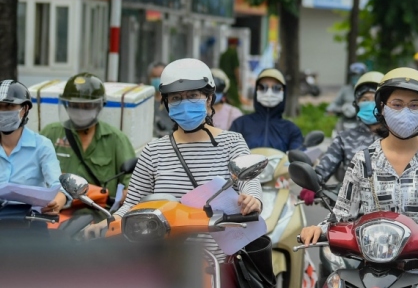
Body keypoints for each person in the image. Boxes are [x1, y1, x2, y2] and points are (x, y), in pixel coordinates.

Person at [83, 58, 262, 254]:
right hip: (162, 260)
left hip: (219, 262)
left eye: (193, 95)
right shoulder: (153, 151)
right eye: (176, 98)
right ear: (167, 103)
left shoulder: (232, 142)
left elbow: (249, 183)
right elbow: (132, 204)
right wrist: (108, 223)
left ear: (209, 98)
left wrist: (253, 199)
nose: (184, 103)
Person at [299, 68, 418, 257]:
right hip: (372, 270)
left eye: (414, 105)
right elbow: (341, 214)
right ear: (382, 109)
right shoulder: (364, 159)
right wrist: (318, 230)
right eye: (397, 104)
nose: (405, 112)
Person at [41, 73, 137, 197]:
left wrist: (128, 193)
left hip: (100, 211)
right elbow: (32, 172)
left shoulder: (116, 139)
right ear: (66, 105)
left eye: (87, 106)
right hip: (58, 209)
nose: (80, 111)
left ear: (99, 106)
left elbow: (132, 182)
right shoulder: (51, 133)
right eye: (75, 106)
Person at [307, 71, 385, 197]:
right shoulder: (344, 138)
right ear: (357, 104)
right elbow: (323, 168)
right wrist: (310, 186)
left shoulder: (397, 137)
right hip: (349, 209)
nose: (370, 104)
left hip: (390, 211)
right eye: (365, 99)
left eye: (375, 99)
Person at [0, 80, 68, 221]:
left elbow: (58, 187)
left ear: (24, 109)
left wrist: (56, 204)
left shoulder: (42, 145)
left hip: (30, 223)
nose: (3, 111)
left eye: (9, 106)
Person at [229, 69, 304, 152]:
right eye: (262, 87)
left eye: (277, 88)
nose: (269, 92)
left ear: (284, 92)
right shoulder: (240, 125)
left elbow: (299, 158)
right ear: (256, 91)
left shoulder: (291, 130)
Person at [326, 62, 368, 127]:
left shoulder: (368, 90)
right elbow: (335, 102)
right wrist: (330, 109)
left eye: (358, 75)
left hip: (363, 121)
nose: (356, 77)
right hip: (345, 120)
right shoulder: (345, 89)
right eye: (353, 75)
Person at [148, 61, 176, 137]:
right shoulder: (147, 100)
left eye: (160, 76)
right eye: (154, 76)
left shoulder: (175, 100)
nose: (157, 79)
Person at [219, 38, 242, 107]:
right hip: (231, 81)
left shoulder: (223, 54)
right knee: (235, 102)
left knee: (225, 101)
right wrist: (239, 82)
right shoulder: (233, 53)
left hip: (223, 81)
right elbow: (236, 69)